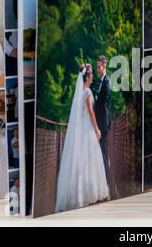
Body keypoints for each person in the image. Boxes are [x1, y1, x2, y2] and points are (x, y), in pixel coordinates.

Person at [55, 64, 108, 212]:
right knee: (90, 159)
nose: (92, 78)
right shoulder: (88, 92)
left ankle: (79, 194)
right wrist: (97, 129)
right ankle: (88, 193)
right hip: (88, 129)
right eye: (91, 76)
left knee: (81, 159)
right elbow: (91, 113)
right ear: (88, 77)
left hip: (82, 128)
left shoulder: (80, 93)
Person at [94, 55, 112, 187]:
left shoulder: (106, 82)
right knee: (100, 152)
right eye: (97, 66)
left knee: (104, 154)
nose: (97, 69)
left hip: (103, 123)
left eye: (99, 67)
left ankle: (106, 183)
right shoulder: (102, 81)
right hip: (101, 122)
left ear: (104, 67)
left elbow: (103, 104)